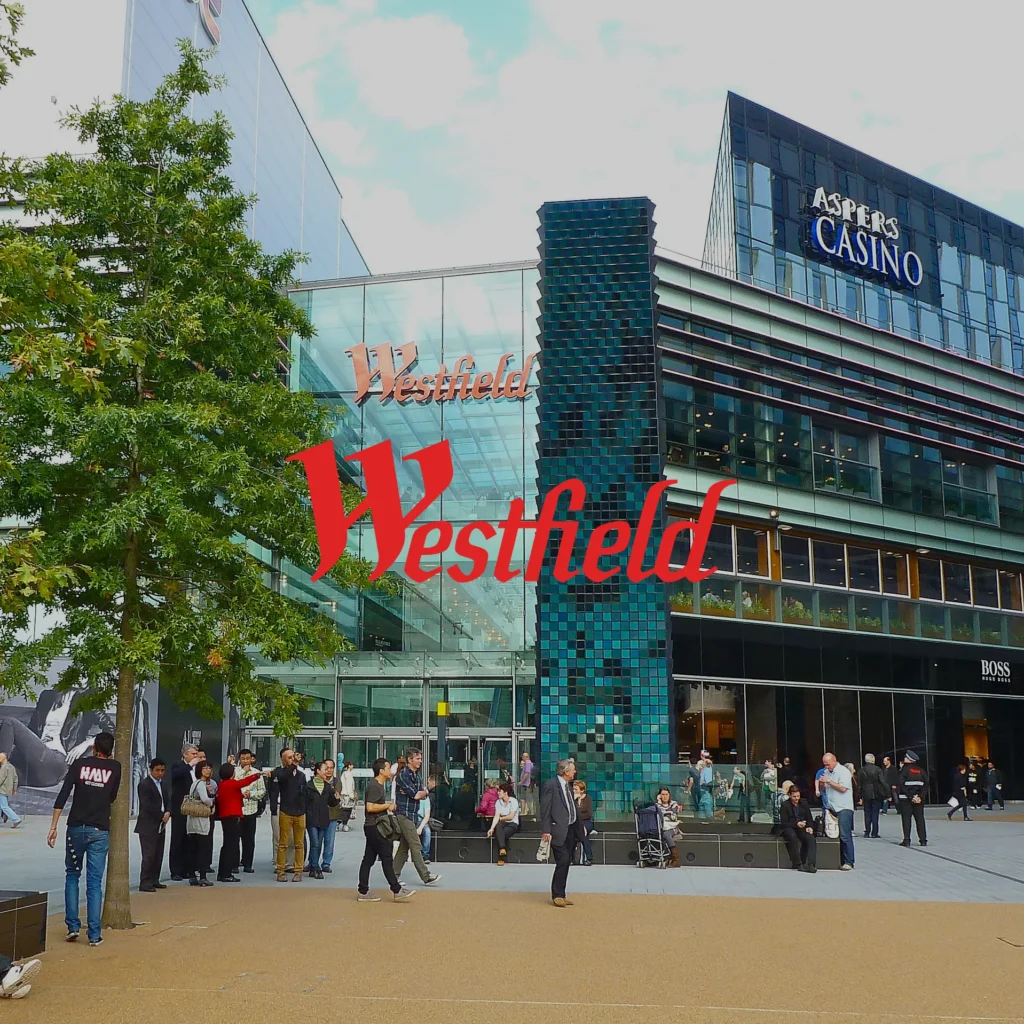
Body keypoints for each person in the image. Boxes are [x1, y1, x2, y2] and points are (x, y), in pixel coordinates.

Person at [46, 731, 121, 946]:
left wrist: (53, 826)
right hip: (99, 829)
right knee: (94, 882)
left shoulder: (79, 765)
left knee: (72, 874)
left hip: (76, 827)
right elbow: (113, 796)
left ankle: (72, 926)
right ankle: (94, 935)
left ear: (94, 747)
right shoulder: (115, 767)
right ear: (111, 750)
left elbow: (63, 794)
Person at [357, 758, 413, 902]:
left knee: (368, 859)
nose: (391, 771)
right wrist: (387, 805)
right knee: (386, 857)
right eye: (388, 768)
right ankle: (396, 889)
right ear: (381, 771)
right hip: (376, 827)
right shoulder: (375, 786)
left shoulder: (378, 785)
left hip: (373, 826)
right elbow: (370, 807)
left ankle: (363, 891)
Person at [392, 748, 441, 886]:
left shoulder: (416, 776)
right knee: (415, 844)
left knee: (404, 847)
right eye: (418, 758)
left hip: (412, 815)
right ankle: (426, 876)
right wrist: (420, 792)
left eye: (420, 758)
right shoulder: (403, 775)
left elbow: (420, 793)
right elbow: (416, 794)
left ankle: (393, 875)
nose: (420, 761)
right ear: (410, 760)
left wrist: (421, 792)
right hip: (404, 814)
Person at [540, 757, 585, 908]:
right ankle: (557, 894)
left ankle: (562, 893)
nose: (575, 772)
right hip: (557, 829)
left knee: (567, 861)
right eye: (573, 769)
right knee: (563, 860)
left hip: (571, 828)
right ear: (566, 771)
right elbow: (545, 808)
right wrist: (546, 829)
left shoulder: (569, 785)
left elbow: (571, 807)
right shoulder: (551, 785)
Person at [214, 761, 260, 883]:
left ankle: (222, 872)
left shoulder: (223, 784)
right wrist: (257, 775)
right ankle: (226, 873)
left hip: (226, 816)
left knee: (227, 845)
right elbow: (244, 782)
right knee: (231, 846)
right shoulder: (231, 783)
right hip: (232, 816)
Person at [268, 748, 307, 882]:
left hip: (300, 812)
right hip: (285, 811)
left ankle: (298, 871)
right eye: (289, 757)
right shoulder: (279, 772)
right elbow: (283, 778)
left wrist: (304, 808)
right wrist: (293, 765)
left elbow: (304, 792)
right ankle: (281, 870)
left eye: (293, 757)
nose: (292, 759)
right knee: (283, 843)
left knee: (299, 844)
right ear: (283, 759)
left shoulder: (301, 775)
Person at [135, 757, 171, 892]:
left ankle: (155, 879)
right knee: (149, 854)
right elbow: (146, 804)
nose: (160, 773)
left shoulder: (164, 784)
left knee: (158, 853)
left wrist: (168, 811)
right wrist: (161, 815)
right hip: (148, 824)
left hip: (161, 823)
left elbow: (168, 800)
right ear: (151, 770)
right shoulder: (144, 784)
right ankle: (145, 881)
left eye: (162, 770)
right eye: (157, 770)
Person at [169, 744, 199, 880]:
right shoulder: (178, 765)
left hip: (193, 808)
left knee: (190, 839)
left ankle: (187, 869)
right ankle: (175, 870)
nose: (195, 757)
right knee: (177, 838)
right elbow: (175, 775)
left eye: (196, 754)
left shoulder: (197, 769)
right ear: (186, 754)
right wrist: (188, 766)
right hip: (180, 808)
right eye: (193, 754)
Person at [819, 753, 854, 870]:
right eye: (824, 765)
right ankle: (839, 859)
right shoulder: (827, 772)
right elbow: (825, 789)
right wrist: (822, 784)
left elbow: (843, 788)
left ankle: (849, 861)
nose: (826, 767)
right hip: (831, 807)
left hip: (844, 807)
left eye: (828, 764)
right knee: (832, 833)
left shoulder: (843, 771)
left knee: (845, 835)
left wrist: (828, 781)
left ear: (834, 761)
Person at [305, 760, 339, 879]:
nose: (327, 771)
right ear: (318, 771)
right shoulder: (308, 785)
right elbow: (304, 802)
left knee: (319, 843)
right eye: (325, 769)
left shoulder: (327, 786)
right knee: (314, 842)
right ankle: (315, 867)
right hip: (312, 819)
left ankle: (314, 867)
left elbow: (331, 803)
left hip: (324, 819)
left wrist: (336, 799)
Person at [184, 760, 216, 886]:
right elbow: (206, 800)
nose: (208, 770)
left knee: (193, 849)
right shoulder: (201, 784)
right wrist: (212, 800)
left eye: (209, 768)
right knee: (202, 849)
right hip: (201, 820)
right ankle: (203, 876)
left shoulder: (194, 783)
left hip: (192, 819)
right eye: (205, 768)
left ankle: (192, 875)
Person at [234, 749, 265, 874]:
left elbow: (262, 791)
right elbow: (233, 785)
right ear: (239, 759)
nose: (245, 761)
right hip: (237, 809)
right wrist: (243, 773)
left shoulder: (257, 773)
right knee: (235, 838)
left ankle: (247, 863)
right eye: (243, 758)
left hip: (251, 809)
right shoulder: (234, 771)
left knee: (249, 839)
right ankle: (234, 863)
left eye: (248, 758)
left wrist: (251, 794)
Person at [779, 785, 817, 872]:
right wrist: (796, 824)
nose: (797, 798)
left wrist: (810, 827)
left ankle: (811, 864)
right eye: (794, 797)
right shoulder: (785, 805)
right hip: (789, 826)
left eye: (798, 796)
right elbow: (784, 822)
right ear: (789, 795)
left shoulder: (804, 803)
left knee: (810, 838)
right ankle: (798, 863)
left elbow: (809, 818)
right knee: (792, 836)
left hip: (802, 827)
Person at [897, 750, 929, 846]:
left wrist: (911, 796)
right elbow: (926, 785)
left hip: (906, 799)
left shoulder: (904, 770)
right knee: (920, 819)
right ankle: (923, 840)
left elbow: (901, 785)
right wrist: (920, 796)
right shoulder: (921, 771)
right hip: (919, 800)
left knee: (906, 819)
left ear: (908, 759)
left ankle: (907, 840)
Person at [487, 779, 520, 865]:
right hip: (502, 823)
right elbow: (496, 816)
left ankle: (501, 857)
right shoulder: (498, 802)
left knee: (501, 834)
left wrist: (500, 819)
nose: (498, 793)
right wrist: (491, 828)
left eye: (500, 791)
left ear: (505, 793)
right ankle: (502, 850)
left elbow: (511, 816)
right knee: (498, 829)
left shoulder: (513, 801)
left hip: (512, 823)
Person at [856, 753, 887, 839]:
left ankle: (867, 831)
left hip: (865, 793)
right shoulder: (878, 769)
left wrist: (859, 796)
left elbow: (859, 785)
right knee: (875, 813)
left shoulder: (861, 770)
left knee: (867, 813)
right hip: (876, 793)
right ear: (873, 760)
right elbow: (882, 782)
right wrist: (886, 793)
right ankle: (875, 832)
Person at [319, 758, 340, 872]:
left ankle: (326, 863)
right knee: (317, 841)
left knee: (329, 841)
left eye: (331, 768)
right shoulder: (317, 781)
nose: (329, 770)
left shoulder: (337, 781)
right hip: (318, 815)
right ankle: (313, 862)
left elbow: (336, 795)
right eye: (326, 768)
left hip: (332, 815)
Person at [655, 786, 681, 867]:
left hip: (672, 827)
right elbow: (658, 815)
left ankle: (675, 859)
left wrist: (663, 815)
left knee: (666, 834)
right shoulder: (657, 805)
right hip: (661, 827)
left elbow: (673, 817)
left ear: (669, 795)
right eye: (662, 794)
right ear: (659, 795)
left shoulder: (674, 804)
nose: (665, 796)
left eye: (666, 794)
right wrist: (659, 802)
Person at [573, 780, 595, 866]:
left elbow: (588, 814)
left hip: (586, 822)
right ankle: (571, 858)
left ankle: (589, 858)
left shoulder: (587, 799)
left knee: (583, 833)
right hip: (575, 822)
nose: (574, 791)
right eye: (573, 789)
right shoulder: (572, 799)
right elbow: (570, 812)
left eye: (576, 789)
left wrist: (578, 815)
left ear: (582, 790)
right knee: (573, 835)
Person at [0, 751, 21, 828]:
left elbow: (0, 779)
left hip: (2, 789)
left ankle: (16, 819)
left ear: (4, 758)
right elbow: (15, 778)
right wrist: (14, 789)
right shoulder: (11, 767)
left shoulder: (4, 767)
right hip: (7, 790)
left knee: (4, 806)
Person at [417, 777, 434, 863]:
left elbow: (427, 816)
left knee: (427, 831)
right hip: (411, 819)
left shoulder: (426, 799)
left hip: (421, 820)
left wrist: (420, 827)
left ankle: (425, 855)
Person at [338, 760, 357, 831]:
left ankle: (340, 823)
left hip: (343, 794)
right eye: (352, 765)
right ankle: (344, 824)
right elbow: (349, 786)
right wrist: (352, 795)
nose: (353, 766)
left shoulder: (344, 774)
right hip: (348, 795)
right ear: (349, 766)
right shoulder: (348, 774)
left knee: (343, 809)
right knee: (347, 810)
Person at [518, 750, 534, 816]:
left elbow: (527, 773)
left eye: (523, 757)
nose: (522, 758)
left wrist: (521, 782)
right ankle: (527, 812)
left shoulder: (527, 763)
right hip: (527, 784)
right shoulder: (530, 764)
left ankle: (527, 812)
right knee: (526, 798)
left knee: (525, 798)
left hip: (526, 784)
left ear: (525, 757)